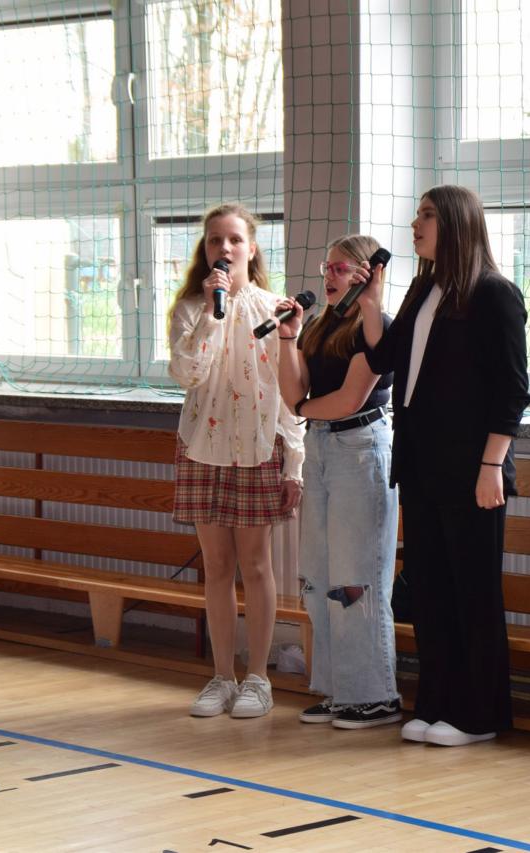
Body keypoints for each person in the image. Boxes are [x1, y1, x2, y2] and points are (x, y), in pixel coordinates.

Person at [355, 185, 530, 747]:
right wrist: (370, 303)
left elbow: (512, 391)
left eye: (427, 215)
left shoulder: (495, 294)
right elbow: (384, 359)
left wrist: (491, 465)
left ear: (456, 222)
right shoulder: (423, 287)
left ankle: (477, 716)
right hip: (421, 463)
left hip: (472, 468)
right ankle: (435, 704)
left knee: (471, 592)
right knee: (430, 591)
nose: (416, 224)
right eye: (416, 215)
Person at [167, 202, 305, 719]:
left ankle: (258, 679)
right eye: (214, 241)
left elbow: (289, 395)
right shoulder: (190, 309)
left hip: (257, 448)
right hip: (203, 448)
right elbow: (188, 374)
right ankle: (221, 676)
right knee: (218, 566)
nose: (224, 249)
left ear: (252, 248)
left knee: (257, 564)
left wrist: (293, 464)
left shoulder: (274, 309)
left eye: (234, 240)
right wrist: (210, 312)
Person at [272, 234, 401, 730]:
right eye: (327, 267)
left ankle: (374, 695)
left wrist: (304, 408)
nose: (329, 275)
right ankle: (337, 689)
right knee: (319, 577)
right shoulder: (319, 325)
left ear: (365, 275)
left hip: (360, 447)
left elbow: (350, 399)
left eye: (342, 269)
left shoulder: (376, 326)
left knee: (356, 579)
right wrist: (288, 338)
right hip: (322, 446)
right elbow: (293, 393)